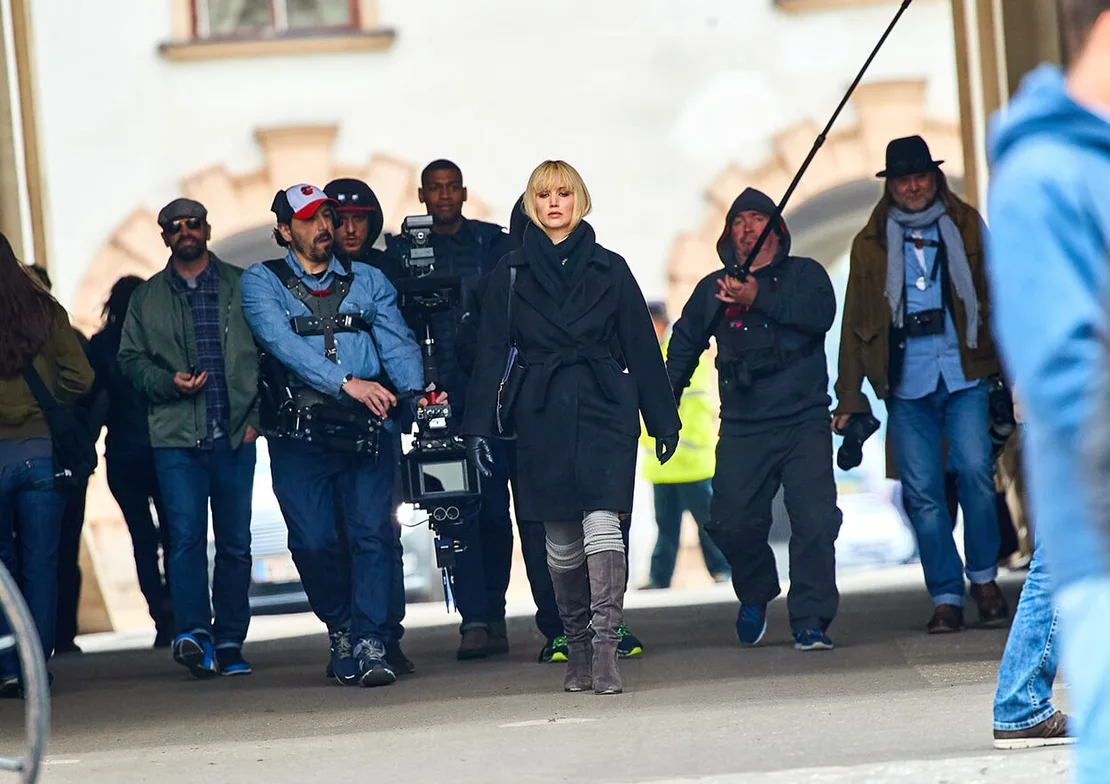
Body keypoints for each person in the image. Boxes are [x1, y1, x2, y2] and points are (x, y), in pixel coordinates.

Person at [463, 160, 680, 695]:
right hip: (539, 409)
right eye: (543, 195)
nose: (554, 203)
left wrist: (662, 418)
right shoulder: (509, 275)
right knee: (558, 538)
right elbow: (489, 354)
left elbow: (641, 348)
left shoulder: (611, 267)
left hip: (605, 402)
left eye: (564, 193)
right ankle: (577, 650)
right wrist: (477, 428)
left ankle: (606, 652)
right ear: (532, 206)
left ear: (579, 200)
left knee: (603, 525)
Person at [987, 3, 1110, 773]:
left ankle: (1018, 699)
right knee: (1053, 565)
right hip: (1096, 503)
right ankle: (1019, 700)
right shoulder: (1045, 174)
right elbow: (1067, 377)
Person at [241, 184, 426, 688]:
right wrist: (346, 383)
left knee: (373, 535)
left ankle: (369, 639)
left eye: (327, 216)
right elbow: (281, 344)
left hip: (368, 427)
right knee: (314, 541)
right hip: (301, 434)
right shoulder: (262, 281)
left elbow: (396, 339)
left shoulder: (368, 278)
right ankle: (341, 626)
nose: (324, 227)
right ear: (285, 230)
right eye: (309, 219)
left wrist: (417, 392)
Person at [833, 136, 1009, 634]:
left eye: (921, 177)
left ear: (934, 178)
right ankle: (946, 594)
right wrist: (850, 395)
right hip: (906, 382)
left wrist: (1018, 375)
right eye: (903, 179)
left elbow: (1002, 292)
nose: (913, 186)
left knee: (975, 472)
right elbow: (854, 322)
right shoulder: (869, 243)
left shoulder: (967, 223)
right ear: (891, 187)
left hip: (966, 371)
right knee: (921, 494)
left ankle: (984, 579)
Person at [666, 187, 842, 651]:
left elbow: (819, 315)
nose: (746, 229)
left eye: (755, 219)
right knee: (730, 521)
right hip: (744, 424)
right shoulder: (715, 287)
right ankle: (757, 591)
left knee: (815, 523)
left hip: (804, 420)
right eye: (737, 221)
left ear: (776, 230)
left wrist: (759, 294)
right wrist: (665, 402)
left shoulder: (806, 275)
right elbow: (685, 344)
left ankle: (810, 619)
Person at [118, 198, 260, 678]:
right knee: (184, 539)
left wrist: (256, 416)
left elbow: (270, 353)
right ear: (164, 238)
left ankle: (231, 639)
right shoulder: (147, 298)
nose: (185, 232)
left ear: (207, 228)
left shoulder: (242, 286)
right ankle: (195, 634)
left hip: (235, 434)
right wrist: (166, 382)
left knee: (237, 544)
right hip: (176, 437)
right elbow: (129, 362)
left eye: (193, 223)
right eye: (175, 227)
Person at [384, 159, 517, 660]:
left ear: (463, 192)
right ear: (422, 196)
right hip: (434, 399)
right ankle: (474, 619)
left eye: (450, 188)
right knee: (452, 512)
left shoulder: (489, 244)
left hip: (492, 397)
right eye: (434, 189)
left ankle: (495, 610)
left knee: (495, 513)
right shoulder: (404, 252)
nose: (443, 196)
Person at [323, 177, 413, 675]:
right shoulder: (313, 276)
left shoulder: (387, 272)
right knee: (333, 534)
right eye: (341, 219)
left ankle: (384, 633)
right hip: (327, 419)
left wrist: (413, 396)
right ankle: (350, 633)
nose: (351, 228)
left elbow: (407, 339)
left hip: (380, 416)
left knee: (381, 531)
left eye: (360, 219)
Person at [0, 236, 94, 695]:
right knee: (42, 563)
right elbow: (83, 376)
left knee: (2, 568)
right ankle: (33, 664)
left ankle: (3, 662)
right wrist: (49, 407)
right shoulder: (44, 310)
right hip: (41, 454)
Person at [87, 275, 174, 648]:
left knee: (141, 539)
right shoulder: (160, 340)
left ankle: (161, 616)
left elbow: (91, 400)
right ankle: (182, 610)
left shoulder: (101, 346)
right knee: (176, 536)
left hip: (122, 453)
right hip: (167, 449)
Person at [25, 263, 93, 656]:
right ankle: (45, 648)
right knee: (51, 555)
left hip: (13, 449)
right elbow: (86, 382)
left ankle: (14, 656)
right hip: (51, 452)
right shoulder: (54, 324)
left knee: (12, 559)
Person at [639, 301, 730, 589]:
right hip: (666, 463)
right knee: (666, 526)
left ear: (657, 323)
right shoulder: (651, 356)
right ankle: (660, 577)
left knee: (706, 523)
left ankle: (723, 569)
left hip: (689, 461)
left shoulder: (680, 354)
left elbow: (696, 405)